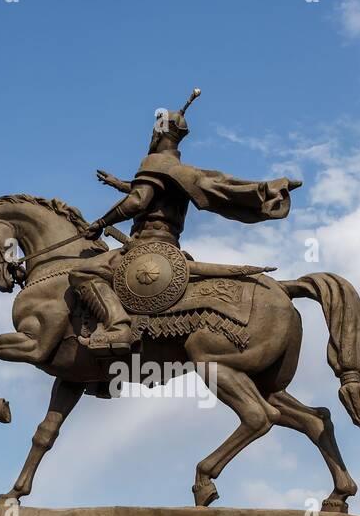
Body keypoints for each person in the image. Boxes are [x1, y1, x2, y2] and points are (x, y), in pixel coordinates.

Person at [70, 89, 301, 353]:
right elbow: (154, 192)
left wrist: (101, 221)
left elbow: (139, 201)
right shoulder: (180, 172)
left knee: (83, 272)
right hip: (170, 247)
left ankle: (117, 326)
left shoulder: (153, 163)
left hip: (147, 248)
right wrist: (121, 184)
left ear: (157, 133)